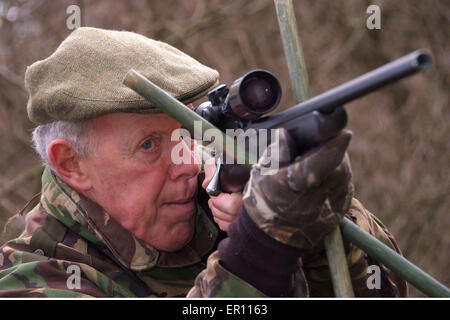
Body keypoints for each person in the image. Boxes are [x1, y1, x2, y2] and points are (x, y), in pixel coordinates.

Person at [0, 27, 406, 297]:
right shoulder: (29, 277)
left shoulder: (217, 192)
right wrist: (257, 251)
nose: (188, 163)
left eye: (190, 134)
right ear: (72, 163)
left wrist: (312, 233)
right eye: (148, 145)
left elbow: (389, 289)